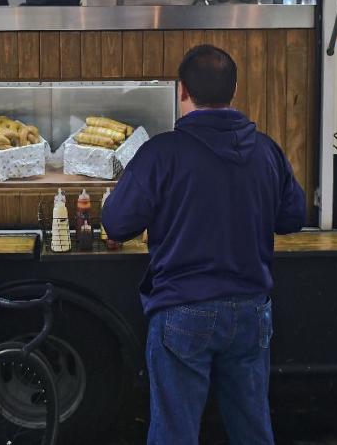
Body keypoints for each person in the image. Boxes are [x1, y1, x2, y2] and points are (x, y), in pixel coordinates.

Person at [101, 44, 306, 444]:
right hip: (251, 310)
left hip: (182, 311)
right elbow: (293, 218)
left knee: (175, 433)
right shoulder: (267, 151)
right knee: (252, 429)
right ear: (234, 89)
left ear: (182, 91)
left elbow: (117, 223)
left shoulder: (161, 153)